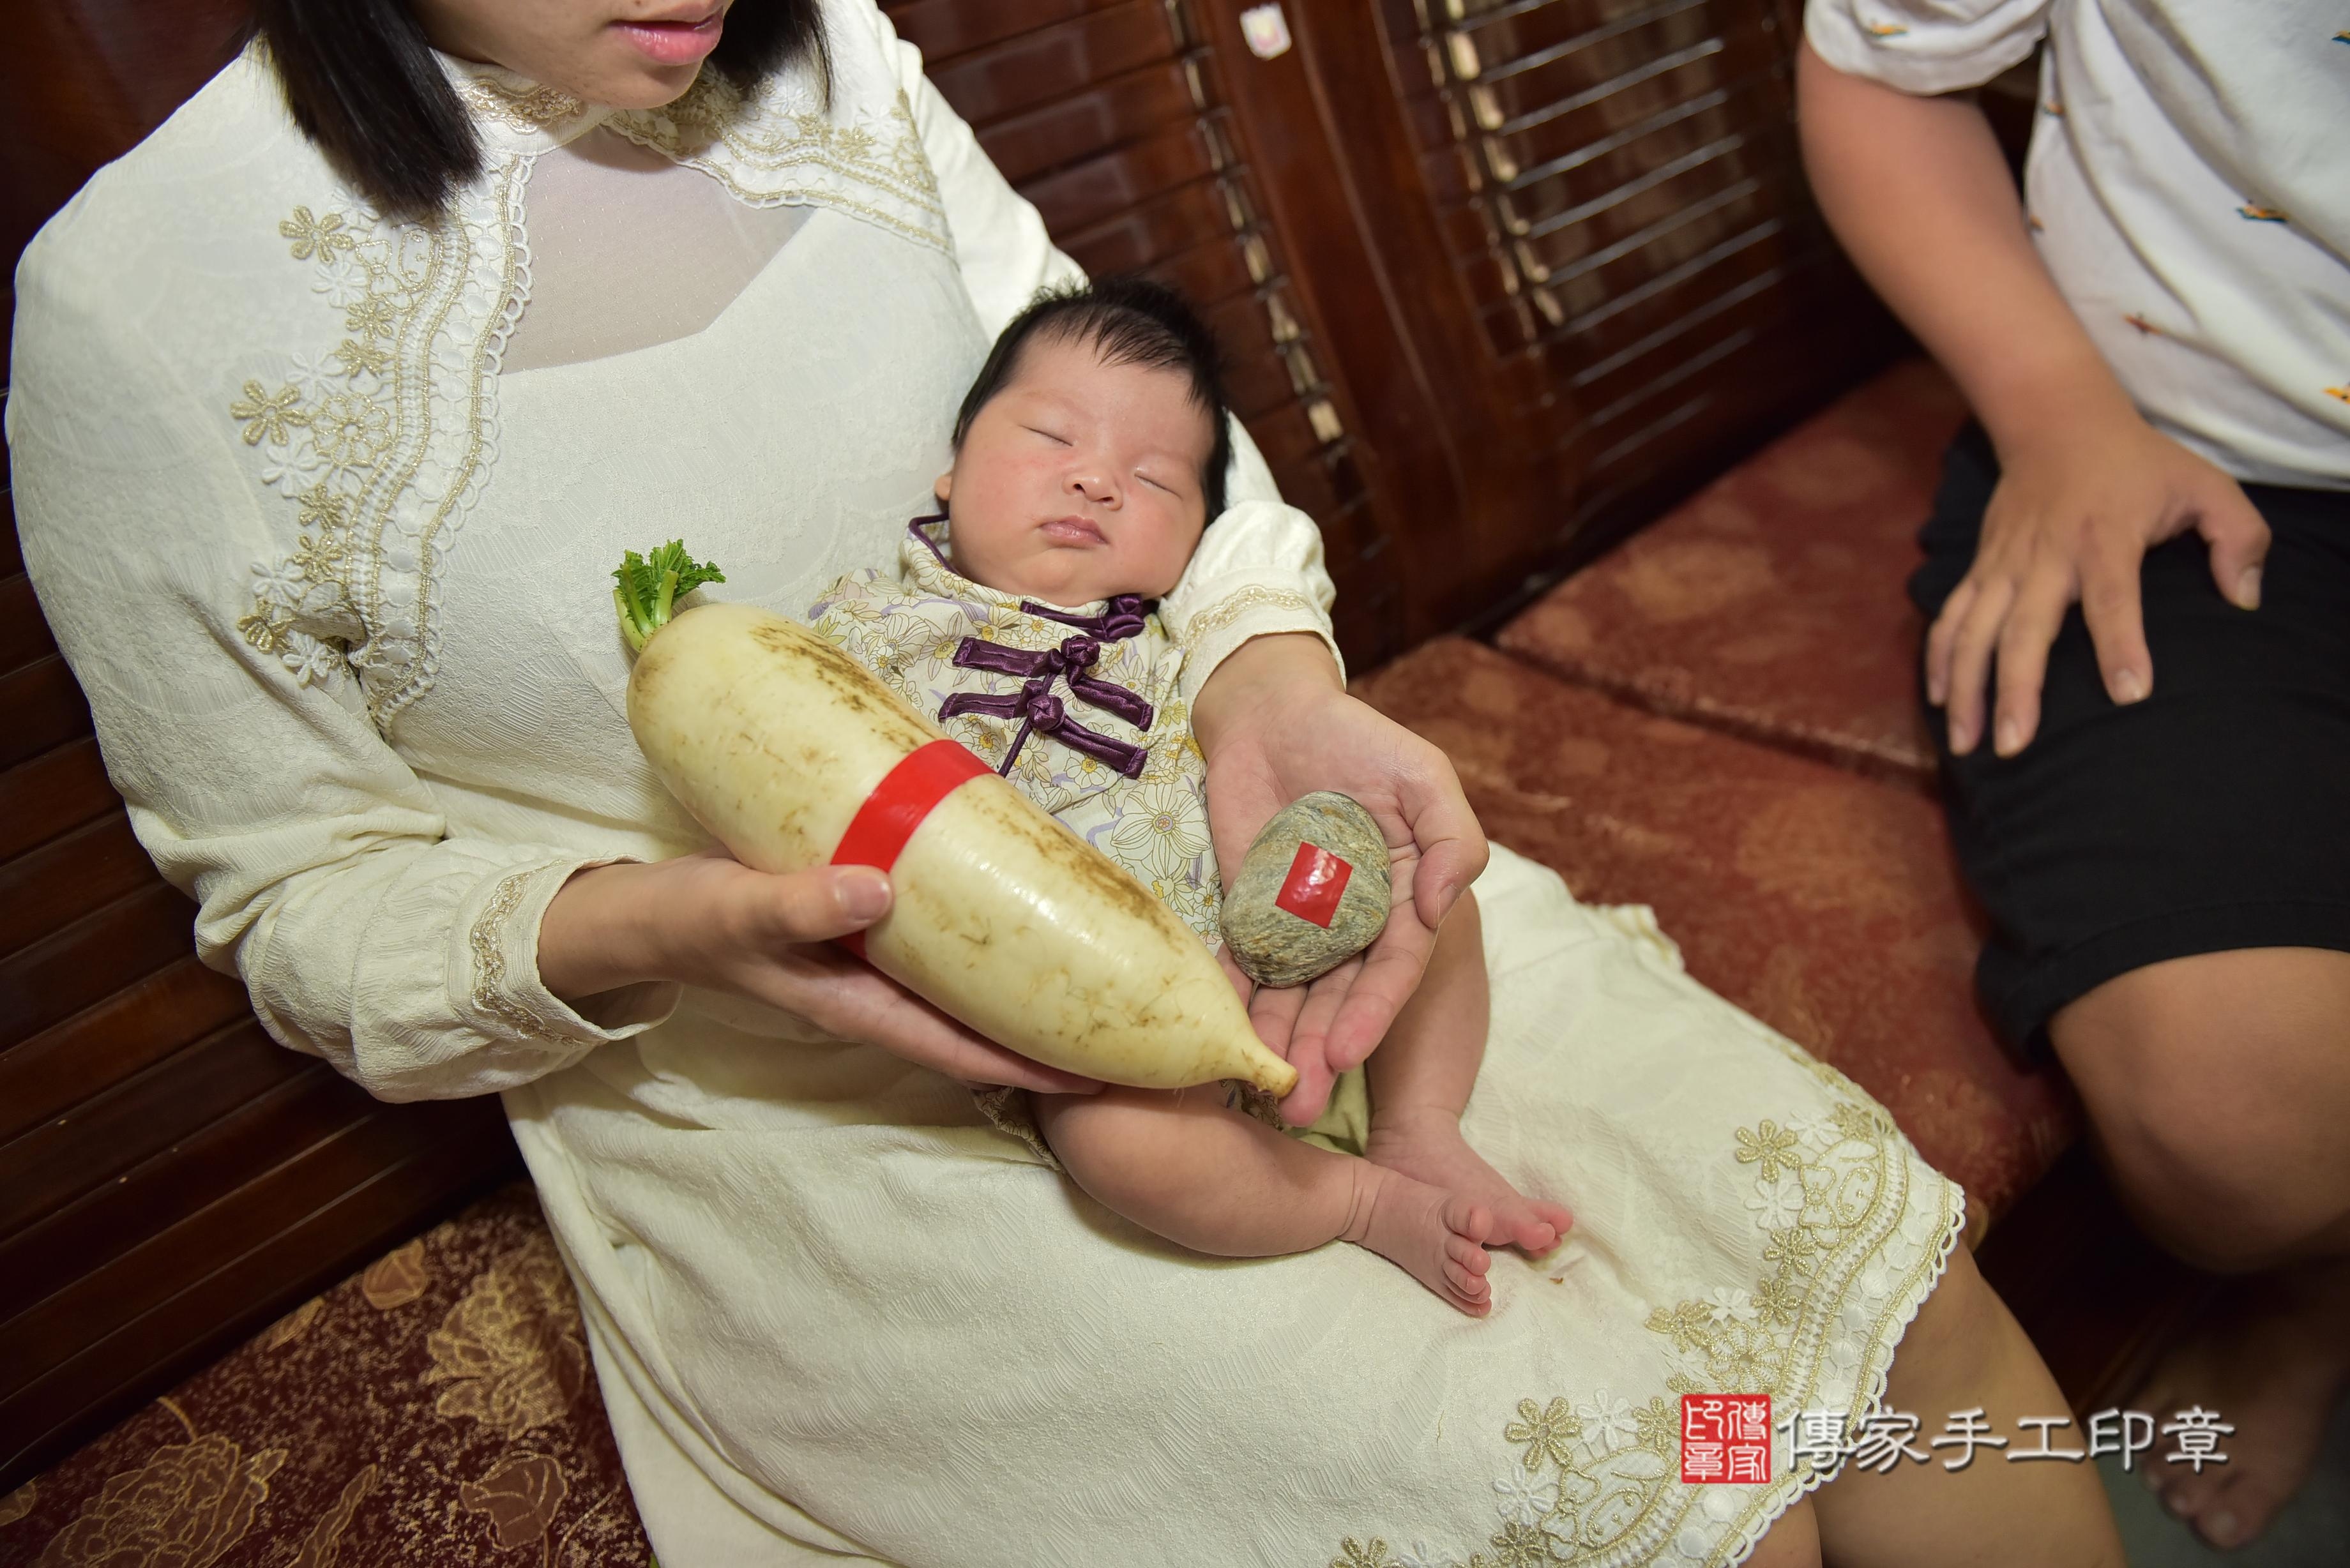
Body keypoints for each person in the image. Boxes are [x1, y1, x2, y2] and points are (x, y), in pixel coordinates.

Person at [8, 0, 2123, 1561]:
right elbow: (294, 894)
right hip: (803, 1103)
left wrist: (1271, 682)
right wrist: (663, 922)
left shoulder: (823, 47)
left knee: (1904, 1341)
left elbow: (1105, 422)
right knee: (1679, 1515)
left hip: (1178, 866)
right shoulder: (141, 310)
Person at [1798, 0, 2350, 1551]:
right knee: (2243, 1118)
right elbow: (1869, 70)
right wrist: (2055, 413)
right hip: (2193, 446)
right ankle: (2321, 1278)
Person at [808, 276, 1573, 1316]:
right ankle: (1356, 1201)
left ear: (1198, 534)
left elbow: (1263, 620)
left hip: (1273, 932)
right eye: (1050, 437)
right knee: (1118, 1142)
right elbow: (808, 766)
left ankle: (1420, 1124)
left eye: (1154, 479)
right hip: (1095, 1017)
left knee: (1428, 893)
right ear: (949, 471)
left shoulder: (1183, 632)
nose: (1096, 484)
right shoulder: (874, 628)